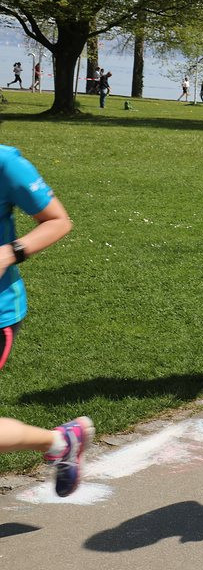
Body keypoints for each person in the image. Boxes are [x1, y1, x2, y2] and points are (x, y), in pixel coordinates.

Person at [0, 145, 92, 497]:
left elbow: (58, 220)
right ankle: (60, 441)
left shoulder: (6, 164)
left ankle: (59, 440)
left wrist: (9, 252)